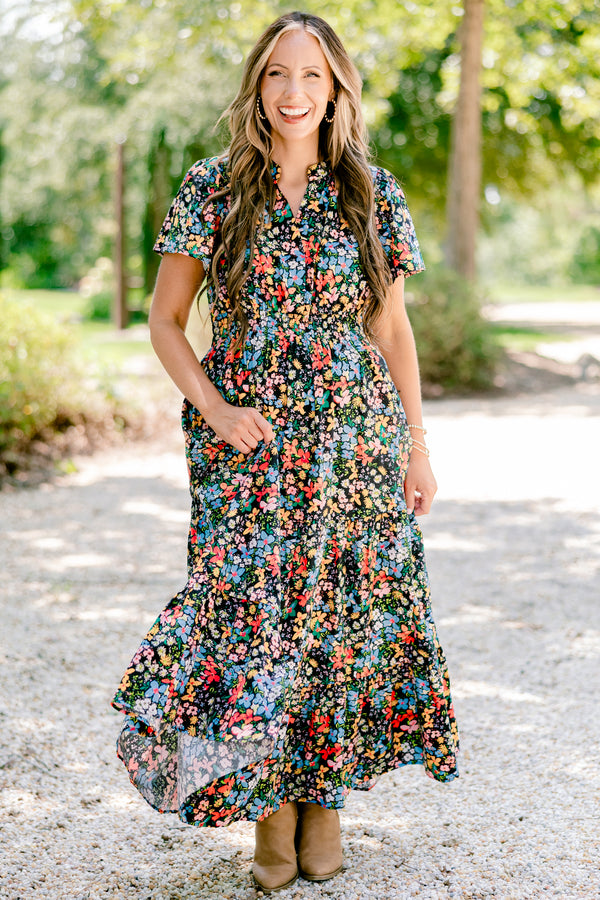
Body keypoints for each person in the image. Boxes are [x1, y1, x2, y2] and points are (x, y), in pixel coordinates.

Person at [111, 10, 459, 895]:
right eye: (276, 74)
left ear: (335, 86)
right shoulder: (212, 189)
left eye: (311, 74)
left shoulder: (371, 193)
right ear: (257, 88)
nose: (293, 91)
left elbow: (393, 331)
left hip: (353, 443)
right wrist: (218, 408)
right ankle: (270, 808)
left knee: (336, 625)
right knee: (256, 621)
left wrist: (417, 446)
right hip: (251, 449)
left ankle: (324, 801)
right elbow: (165, 321)